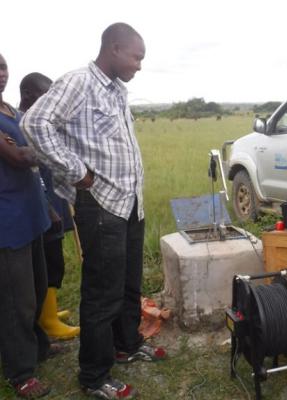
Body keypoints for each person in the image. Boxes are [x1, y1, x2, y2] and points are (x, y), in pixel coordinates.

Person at [21, 23, 166, 399]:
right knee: (103, 292)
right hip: (100, 204)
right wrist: (76, 170)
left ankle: (126, 345)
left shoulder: (117, 90)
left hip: (130, 202)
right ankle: (94, 375)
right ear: (115, 49)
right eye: (136, 57)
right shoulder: (79, 82)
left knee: (129, 283)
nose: (139, 65)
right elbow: (35, 122)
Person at [0, 53, 52, 398]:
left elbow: (26, 152)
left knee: (36, 289)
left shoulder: (11, 112)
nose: (0, 74)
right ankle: (19, 372)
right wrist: (54, 151)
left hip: (32, 213)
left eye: (2, 66)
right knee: (15, 300)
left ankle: (36, 347)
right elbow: (19, 158)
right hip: (8, 220)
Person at [19, 72, 81, 340]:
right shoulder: (24, 126)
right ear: (28, 96)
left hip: (53, 203)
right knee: (48, 262)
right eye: (46, 97)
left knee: (53, 262)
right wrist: (49, 208)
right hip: (42, 210)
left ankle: (50, 312)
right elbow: (32, 175)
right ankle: (46, 320)